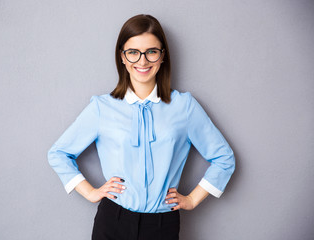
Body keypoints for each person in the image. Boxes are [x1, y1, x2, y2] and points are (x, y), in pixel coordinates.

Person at [47, 14, 235, 240]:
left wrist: (192, 199)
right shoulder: (102, 108)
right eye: (133, 52)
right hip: (112, 221)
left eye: (151, 52)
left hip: (162, 225)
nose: (142, 61)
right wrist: (90, 192)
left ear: (162, 56)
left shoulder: (184, 106)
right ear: (122, 58)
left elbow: (224, 157)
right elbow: (58, 153)